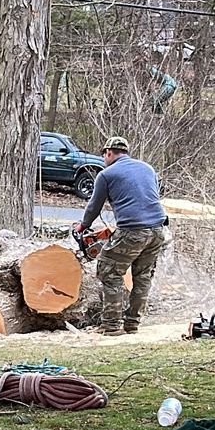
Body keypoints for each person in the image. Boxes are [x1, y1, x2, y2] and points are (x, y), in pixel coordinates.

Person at [76, 135, 168, 335]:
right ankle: (132, 324)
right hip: (158, 230)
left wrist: (83, 226)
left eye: (104, 156)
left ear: (108, 153)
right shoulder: (148, 168)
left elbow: (94, 206)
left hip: (133, 230)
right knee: (143, 276)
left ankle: (111, 326)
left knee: (109, 271)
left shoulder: (106, 174)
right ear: (125, 152)